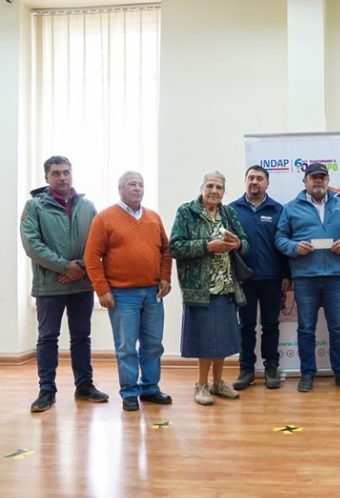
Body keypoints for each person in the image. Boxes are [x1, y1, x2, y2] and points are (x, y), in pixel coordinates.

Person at [20, 155, 109, 413]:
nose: (62, 177)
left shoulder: (87, 206)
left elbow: (97, 243)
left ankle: (85, 386)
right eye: (56, 173)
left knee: (82, 337)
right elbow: (32, 245)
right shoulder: (34, 206)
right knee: (48, 337)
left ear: (72, 174)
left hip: (82, 284)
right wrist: (63, 266)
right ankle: (46, 390)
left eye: (66, 172)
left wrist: (78, 267)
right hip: (49, 286)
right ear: (46, 177)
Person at [84, 171, 173, 412]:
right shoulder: (105, 218)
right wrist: (102, 290)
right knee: (126, 347)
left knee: (153, 344)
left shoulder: (153, 217)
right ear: (120, 188)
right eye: (132, 184)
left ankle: (150, 388)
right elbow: (91, 257)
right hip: (122, 295)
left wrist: (165, 277)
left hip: (153, 293)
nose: (137, 188)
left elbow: (166, 250)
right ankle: (129, 392)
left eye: (141, 184)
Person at [275, 162, 340, 392]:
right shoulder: (291, 208)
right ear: (305, 181)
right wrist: (294, 247)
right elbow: (280, 238)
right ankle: (307, 374)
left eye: (322, 177)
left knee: (338, 328)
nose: (318, 180)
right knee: (306, 329)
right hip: (305, 278)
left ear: (328, 181)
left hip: (335, 278)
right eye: (314, 177)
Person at [169, 171, 248, 405]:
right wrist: (208, 246)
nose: (214, 191)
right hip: (200, 288)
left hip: (226, 286)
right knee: (205, 339)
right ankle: (201, 384)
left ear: (224, 191)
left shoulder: (229, 213)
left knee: (222, 338)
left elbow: (245, 244)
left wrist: (238, 243)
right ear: (202, 187)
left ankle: (218, 383)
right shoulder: (187, 212)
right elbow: (175, 247)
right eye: (210, 186)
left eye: (219, 187)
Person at [229, 165, 291, 390]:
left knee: (271, 326)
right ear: (245, 181)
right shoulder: (232, 210)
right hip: (243, 279)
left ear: (267, 183)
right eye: (251, 178)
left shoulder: (277, 210)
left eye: (259, 178)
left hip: (272, 278)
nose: (254, 182)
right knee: (245, 326)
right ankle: (246, 370)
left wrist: (286, 274)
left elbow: (283, 243)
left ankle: (271, 368)